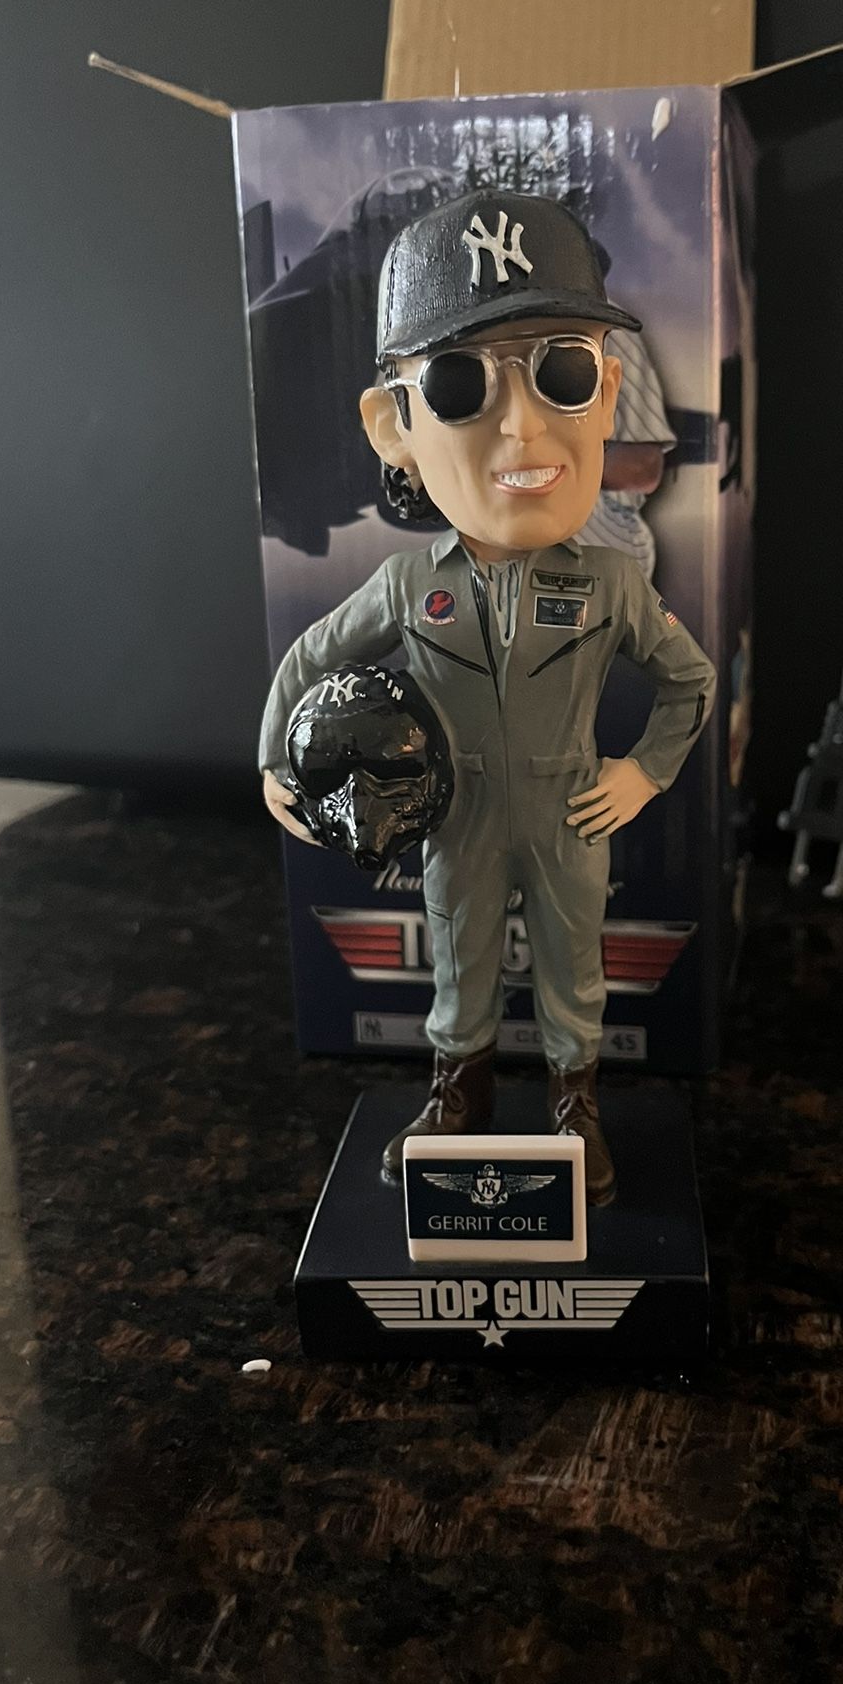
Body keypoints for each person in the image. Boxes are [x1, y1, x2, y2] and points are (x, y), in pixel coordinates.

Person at [258, 190, 715, 1206]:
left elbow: (690, 680)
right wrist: (279, 761)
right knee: (459, 964)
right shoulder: (405, 587)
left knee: (572, 967)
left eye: (562, 372)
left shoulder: (610, 585)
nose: (522, 423)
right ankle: (456, 1097)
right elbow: (308, 659)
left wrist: (643, 775)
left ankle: (575, 1106)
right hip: (455, 812)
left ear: (607, 392)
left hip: (566, 808)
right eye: (460, 383)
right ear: (395, 425)